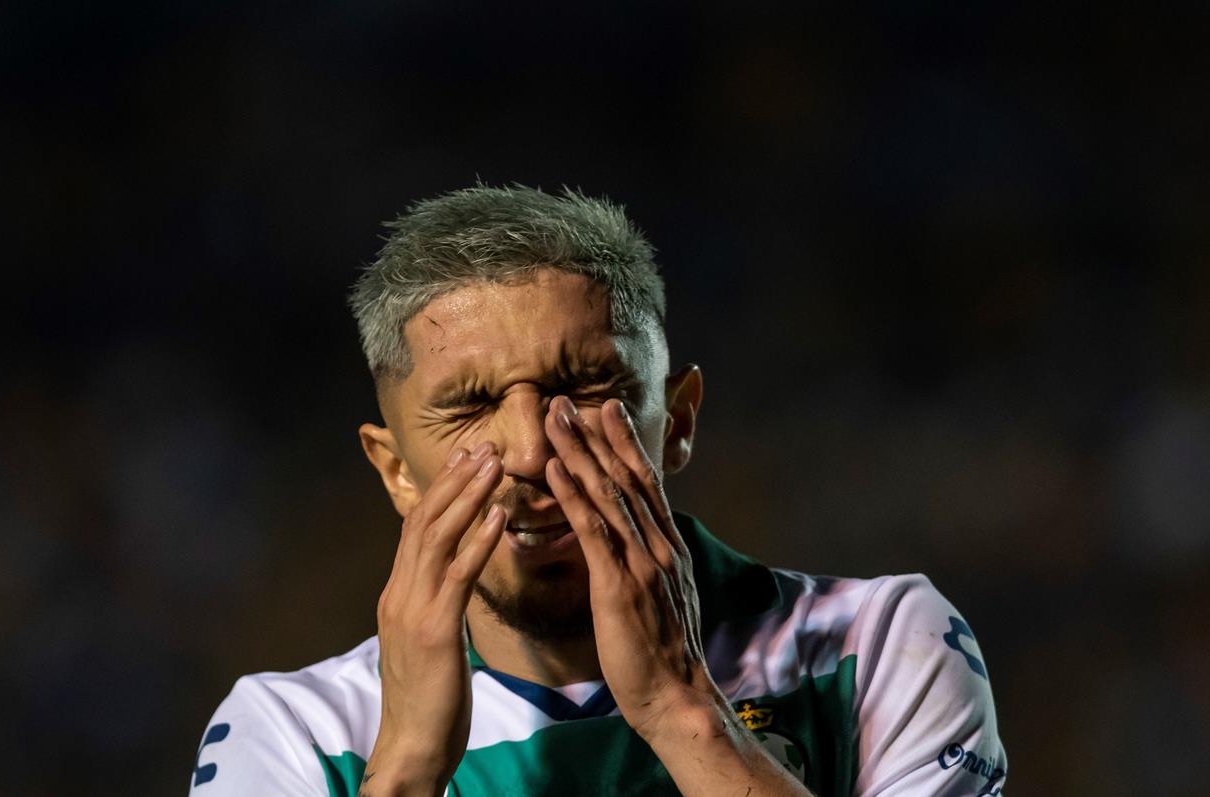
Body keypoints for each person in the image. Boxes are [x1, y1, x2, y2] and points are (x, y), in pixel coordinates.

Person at [190, 185, 1008, 796]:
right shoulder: (292, 733)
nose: (528, 451)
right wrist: (405, 768)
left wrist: (682, 709)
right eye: (469, 404)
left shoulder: (876, 644)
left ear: (676, 420)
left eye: (582, 387)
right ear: (396, 468)